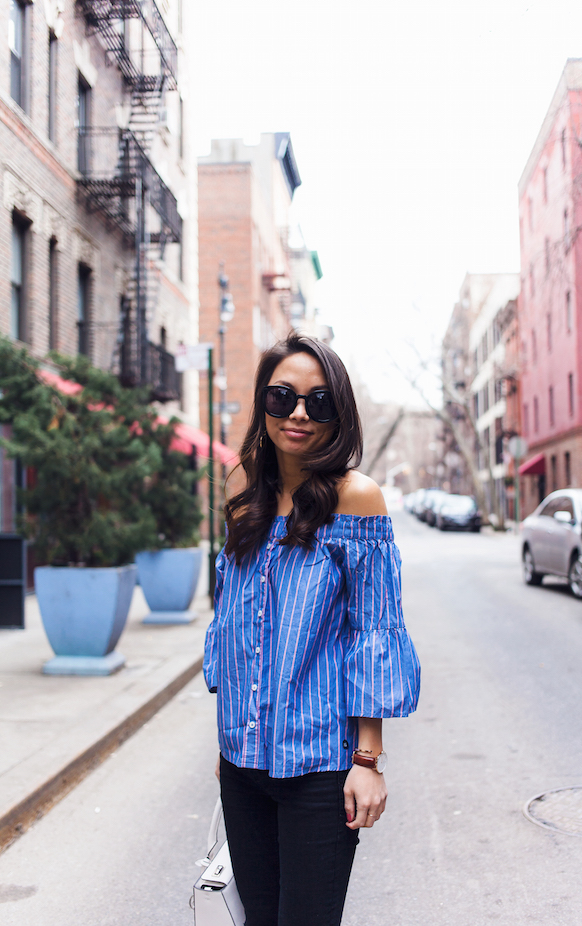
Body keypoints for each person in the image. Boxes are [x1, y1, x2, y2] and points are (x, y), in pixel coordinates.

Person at [203, 332, 420, 926]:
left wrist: (367, 760)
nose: (298, 414)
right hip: (242, 763)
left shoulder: (357, 499)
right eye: (283, 397)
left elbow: (373, 631)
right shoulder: (240, 484)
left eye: (318, 402)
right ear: (263, 405)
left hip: (320, 768)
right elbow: (234, 619)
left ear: (338, 414)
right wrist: (231, 736)